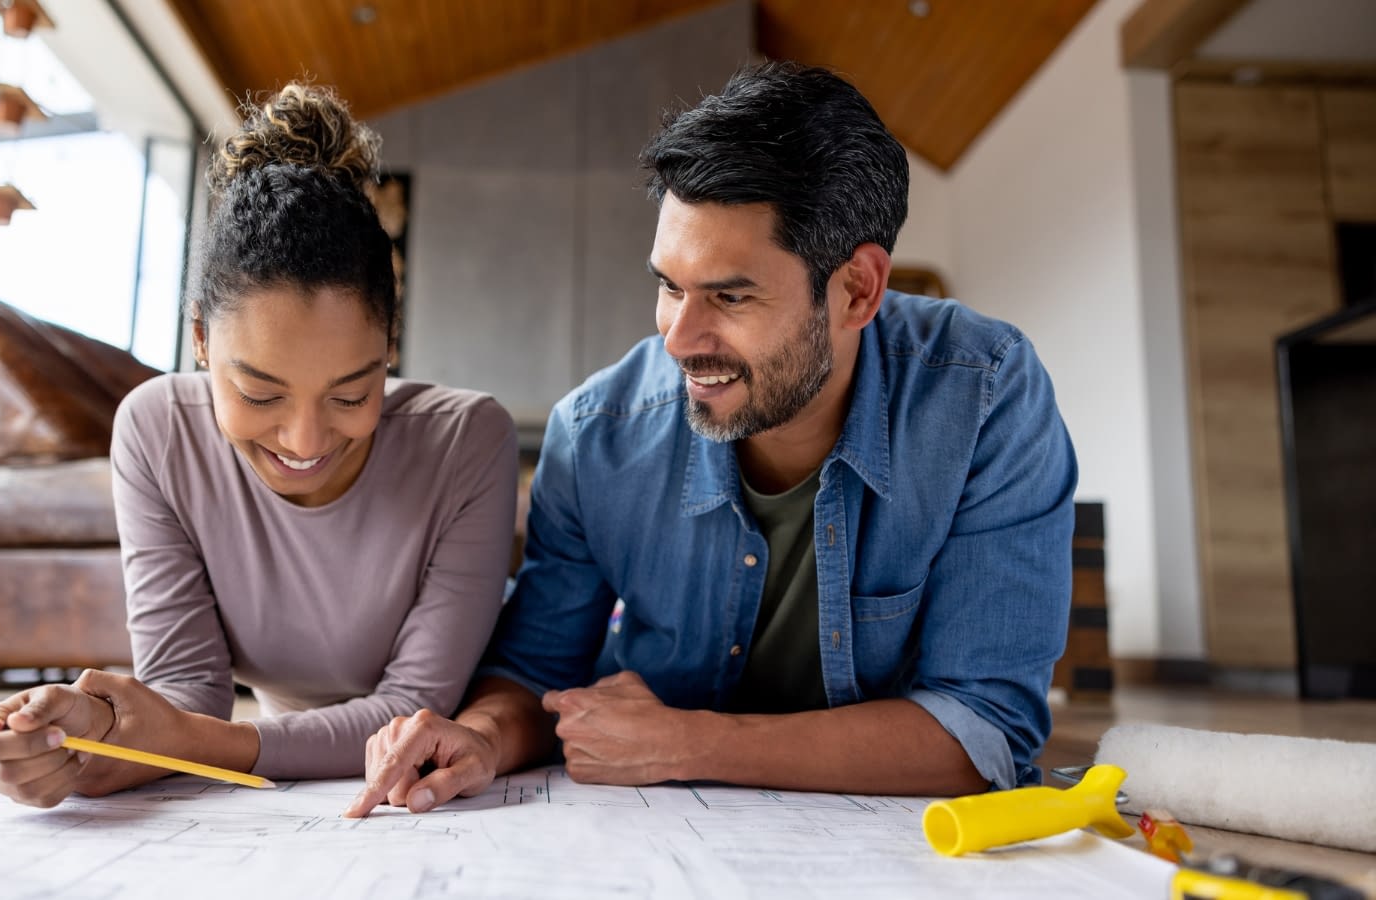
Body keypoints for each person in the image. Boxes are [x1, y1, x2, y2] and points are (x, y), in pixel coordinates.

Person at [346, 61, 1077, 818]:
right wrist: (485, 738)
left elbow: (987, 729)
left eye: (729, 296)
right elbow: (535, 672)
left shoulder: (985, 396)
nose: (679, 338)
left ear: (857, 289)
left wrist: (692, 743)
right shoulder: (597, 436)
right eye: (669, 286)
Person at [0, 83, 518, 808]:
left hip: (442, 766)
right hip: (287, 770)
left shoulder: (466, 440)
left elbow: (414, 706)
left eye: (352, 395)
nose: (306, 439)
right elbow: (187, 691)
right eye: (260, 395)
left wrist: (189, 742)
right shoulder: (158, 430)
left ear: (389, 345)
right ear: (199, 340)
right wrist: (73, 734)